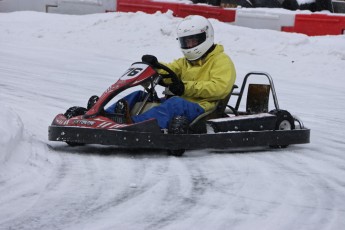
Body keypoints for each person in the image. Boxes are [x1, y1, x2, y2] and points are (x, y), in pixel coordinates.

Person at [105, 15, 236, 129]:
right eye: (186, 41)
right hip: (180, 102)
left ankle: (133, 125)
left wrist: (185, 88)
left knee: (175, 104)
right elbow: (170, 70)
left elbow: (219, 88)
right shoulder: (186, 61)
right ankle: (104, 116)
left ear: (206, 37)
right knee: (138, 95)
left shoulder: (221, 61)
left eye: (193, 41)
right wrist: (154, 67)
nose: (189, 45)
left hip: (202, 107)